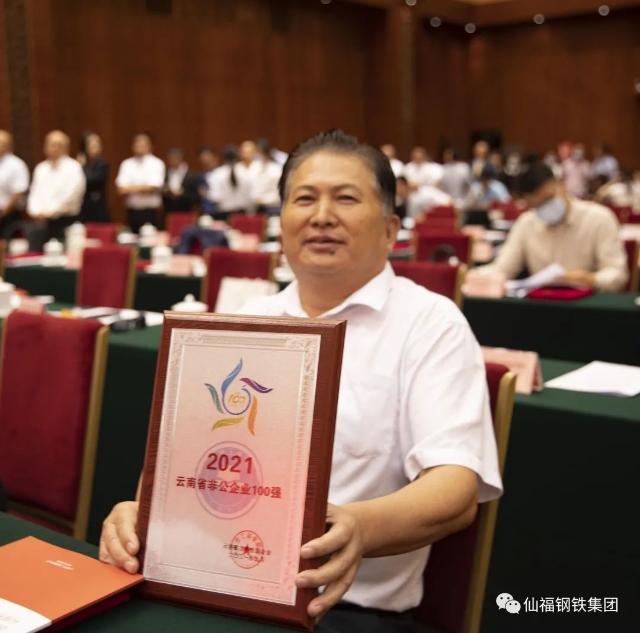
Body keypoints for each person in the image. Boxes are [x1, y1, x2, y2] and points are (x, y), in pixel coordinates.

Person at [100, 130, 502, 632]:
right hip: (212, 583)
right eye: (305, 199)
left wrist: (357, 528)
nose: (322, 216)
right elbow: (180, 458)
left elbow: (456, 488)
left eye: (346, 199)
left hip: (342, 608)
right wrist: (141, 514)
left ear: (390, 229)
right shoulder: (247, 319)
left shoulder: (430, 324)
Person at [480, 163, 628, 291]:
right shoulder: (526, 223)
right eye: (537, 206)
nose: (545, 208)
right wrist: (472, 275)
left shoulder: (599, 219)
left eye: (548, 199)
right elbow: (503, 268)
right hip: (542, 305)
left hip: (588, 306)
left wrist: (591, 279)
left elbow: (617, 273)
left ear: (561, 184)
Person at [26, 130, 86, 241]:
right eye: (51, 145)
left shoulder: (73, 168)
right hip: (41, 221)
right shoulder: (41, 168)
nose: (54, 148)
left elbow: (71, 195)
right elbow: (35, 192)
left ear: (66, 148)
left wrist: (49, 212)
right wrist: (35, 211)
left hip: (66, 220)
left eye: (58, 145)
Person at [115, 133, 166, 232]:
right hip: (132, 210)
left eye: (143, 144)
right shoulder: (127, 164)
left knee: (150, 238)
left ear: (150, 146)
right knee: (131, 238)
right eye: (137, 144)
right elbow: (121, 189)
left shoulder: (157, 163)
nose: (140, 147)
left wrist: (131, 188)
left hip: (151, 211)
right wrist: (143, 187)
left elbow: (153, 187)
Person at [207, 145, 253, 219]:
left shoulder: (217, 174)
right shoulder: (246, 172)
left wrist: (206, 194)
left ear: (223, 157)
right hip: (242, 214)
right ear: (237, 157)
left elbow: (215, 197)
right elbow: (250, 196)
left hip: (224, 215)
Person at [0, 130, 29, 238]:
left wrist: (3, 214)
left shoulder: (16, 165)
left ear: (8, 145)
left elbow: (17, 192)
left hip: (9, 215)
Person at [77, 132, 109, 223]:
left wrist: (81, 167)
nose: (96, 147)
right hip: (82, 205)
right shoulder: (80, 163)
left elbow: (91, 180)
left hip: (97, 205)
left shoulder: (102, 163)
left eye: (98, 144)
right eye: (92, 145)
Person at [162, 148, 199, 213]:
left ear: (181, 158)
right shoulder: (166, 173)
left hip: (186, 209)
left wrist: (182, 193)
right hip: (169, 209)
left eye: (175, 158)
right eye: (170, 159)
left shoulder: (191, 175)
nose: (172, 161)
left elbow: (195, 195)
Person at [251, 138, 283, 214]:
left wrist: (263, 200)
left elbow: (278, 193)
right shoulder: (255, 166)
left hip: (272, 208)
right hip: (257, 208)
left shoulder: (276, 169)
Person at [197, 146, 218, 215]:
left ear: (214, 157)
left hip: (221, 209)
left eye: (207, 156)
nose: (205, 159)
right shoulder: (200, 177)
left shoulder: (222, 174)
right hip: (205, 210)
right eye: (203, 157)